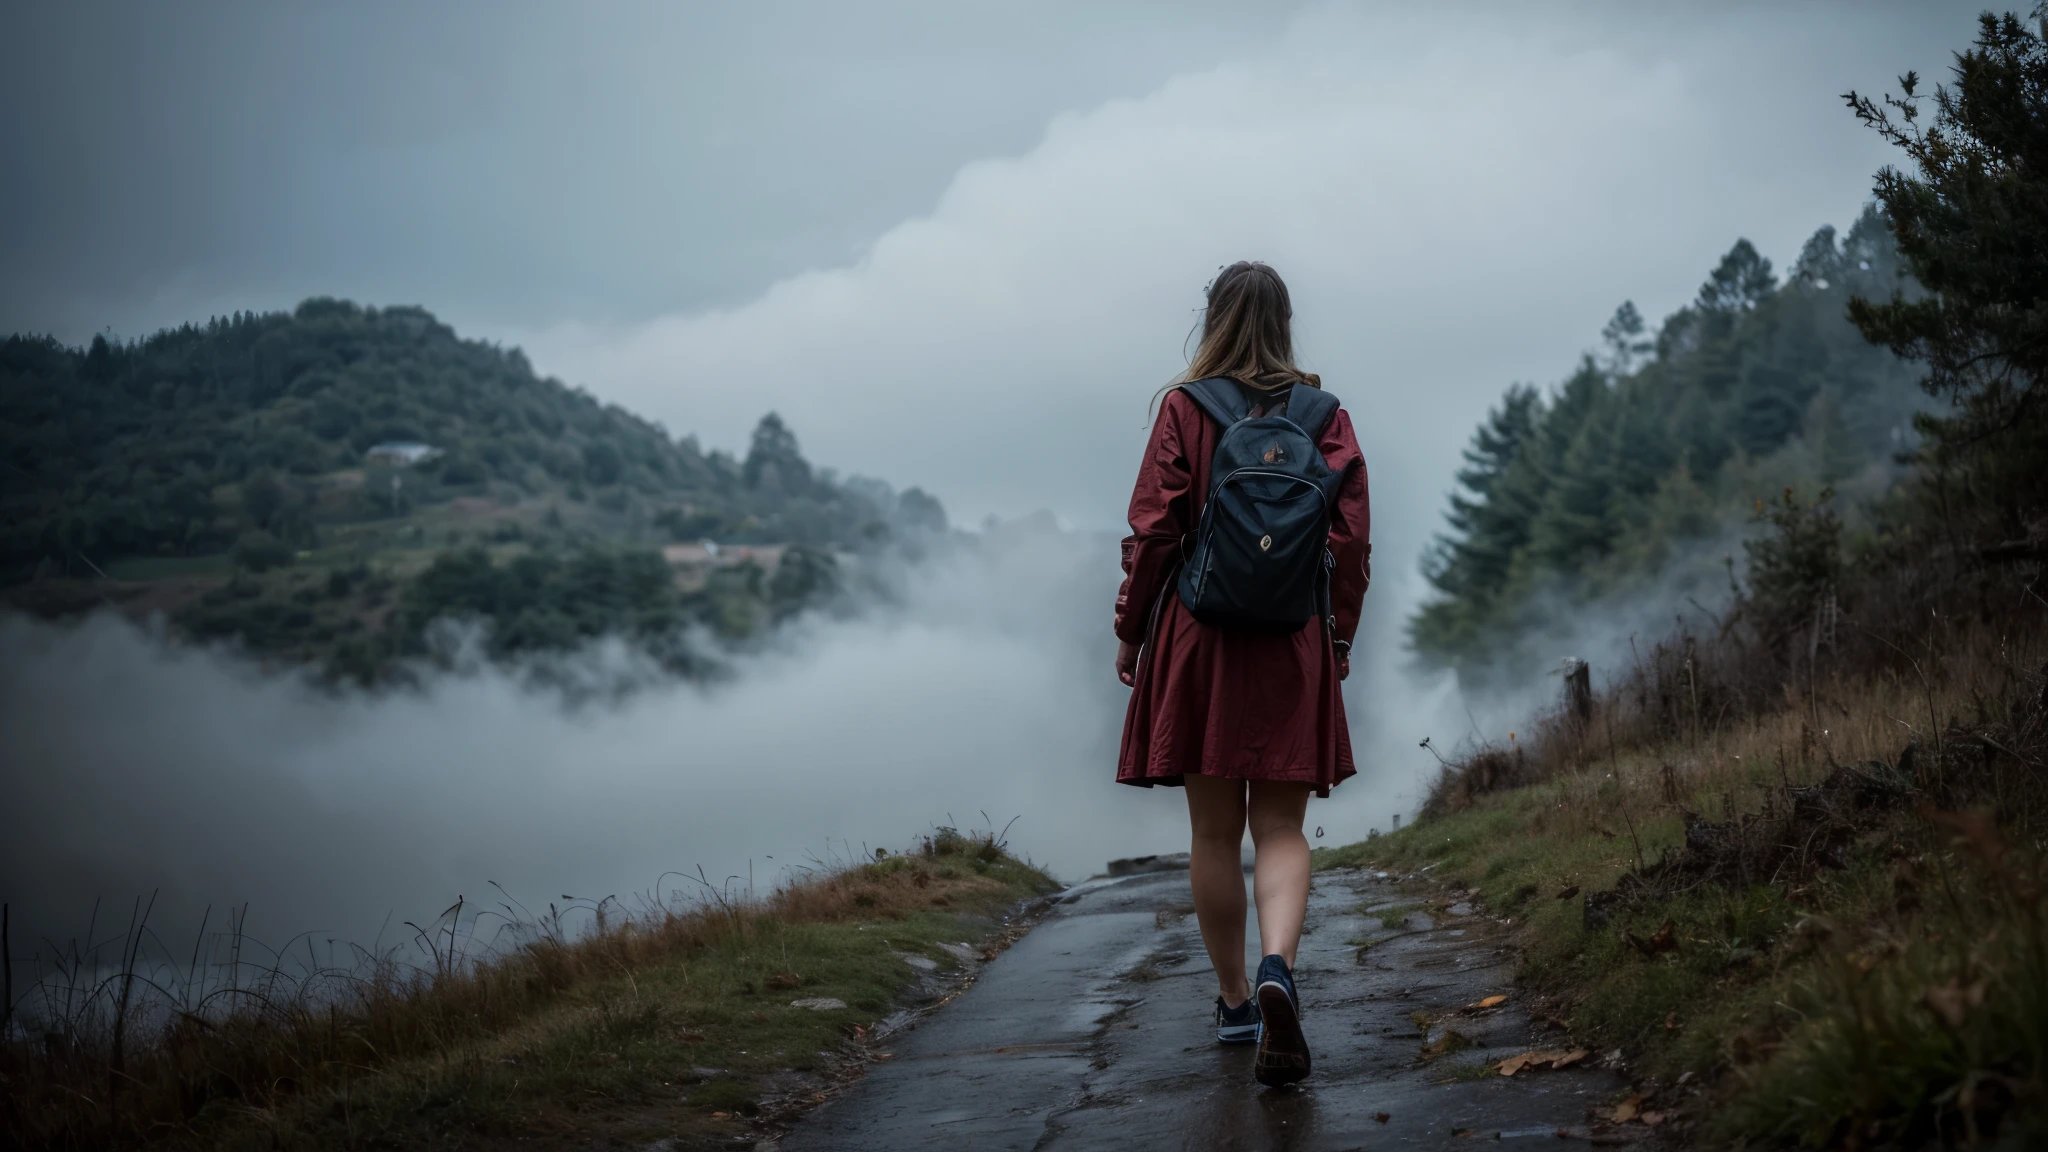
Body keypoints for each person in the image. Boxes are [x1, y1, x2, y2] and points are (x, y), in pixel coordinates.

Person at [1112, 260, 1370, 1088]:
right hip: (1291, 637)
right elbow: (1351, 545)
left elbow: (1154, 531)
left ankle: (1234, 1004)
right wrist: (1337, 639)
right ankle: (1277, 967)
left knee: (1215, 832)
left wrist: (1130, 631)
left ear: (1213, 319)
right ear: (1285, 322)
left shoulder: (1184, 410)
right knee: (1283, 829)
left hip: (1202, 637)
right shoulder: (1326, 416)